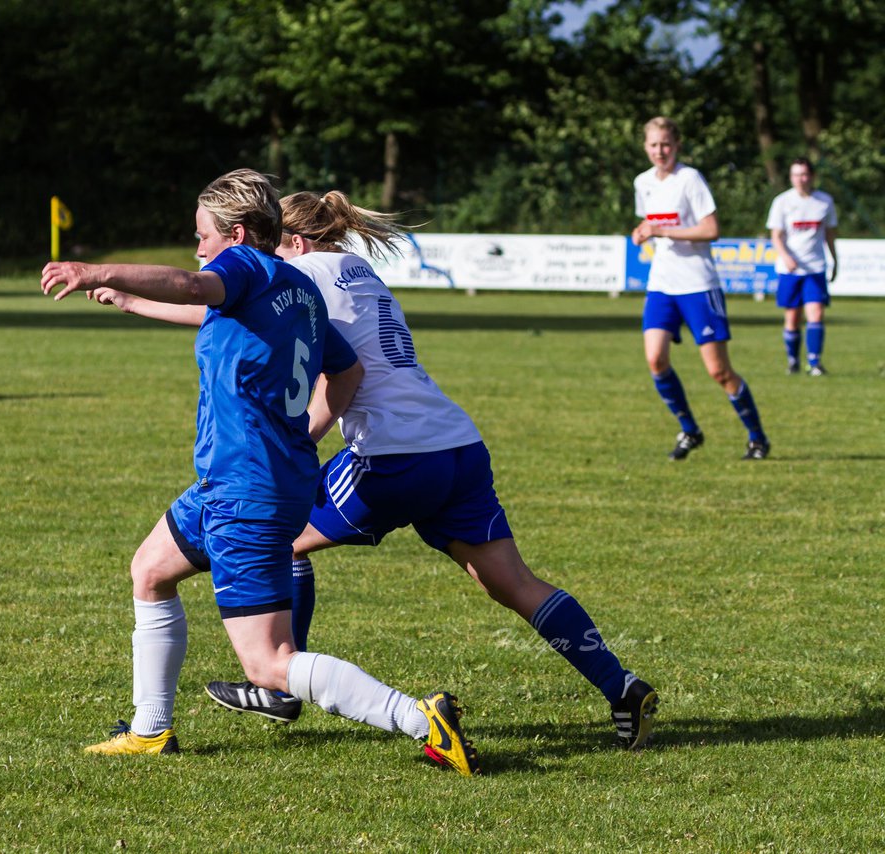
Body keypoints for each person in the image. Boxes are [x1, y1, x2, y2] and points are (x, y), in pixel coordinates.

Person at [40, 169, 480, 773]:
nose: (197, 246)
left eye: (203, 234)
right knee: (150, 571)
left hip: (247, 487)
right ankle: (149, 730)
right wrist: (133, 302)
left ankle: (417, 717)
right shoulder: (296, 289)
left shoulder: (244, 266)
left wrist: (95, 271)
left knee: (269, 661)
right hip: (253, 478)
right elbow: (344, 370)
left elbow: (190, 283)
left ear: (239, 234)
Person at [189, 190, 657, 750]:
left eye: (276, 244)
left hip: (394, 454)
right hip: (456, 443)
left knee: (282, 536)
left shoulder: (302, 272)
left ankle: (279, 680)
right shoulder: (356, 267)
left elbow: (310, 351)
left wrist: (299, 437)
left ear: (295, 241)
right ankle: (620, 685)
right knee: (512, 582)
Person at [632, 117, 768, 460]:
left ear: (677, 145)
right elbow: (650, 222)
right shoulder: (643, 182)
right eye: (653, 145)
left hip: (697, 284)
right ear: (645, 147)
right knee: (655, 359)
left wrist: (663, 232)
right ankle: (690, 431)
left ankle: (756, 438)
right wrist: (642, 231)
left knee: (718, 371)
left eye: (666, 144)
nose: (660, 151)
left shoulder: (690, 179)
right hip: (661, 285)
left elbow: (711, 229)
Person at [766, 157, 838, 376]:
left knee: (816, 314)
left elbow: (830, 234)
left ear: (812, 176)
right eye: (796, 174)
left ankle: (814, 363)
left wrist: (835, 259)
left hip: (815, 268)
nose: (801, 179)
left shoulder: (824, 201)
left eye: (805, 174)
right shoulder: (782, 202)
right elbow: (776, 235)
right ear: (791, 177)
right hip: (790, 270)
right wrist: (786, 256)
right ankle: (793, 360)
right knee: (793, 317)